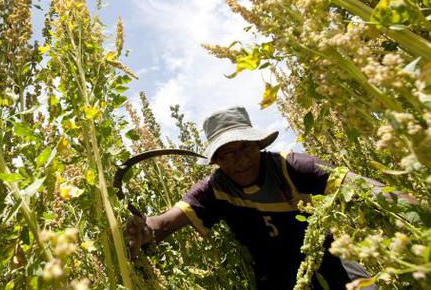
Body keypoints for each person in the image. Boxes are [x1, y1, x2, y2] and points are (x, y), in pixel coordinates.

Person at [126, 105, 379, 290]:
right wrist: (144, 229)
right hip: (277, 280)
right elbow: (164, 223)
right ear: (216, 160)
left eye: (246, 146)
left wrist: (415, 212)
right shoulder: (214, 189)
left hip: (332, 263)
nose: (242, 160)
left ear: (258, 144)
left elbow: (365, 188)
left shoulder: (291, 166)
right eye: (227, 153)